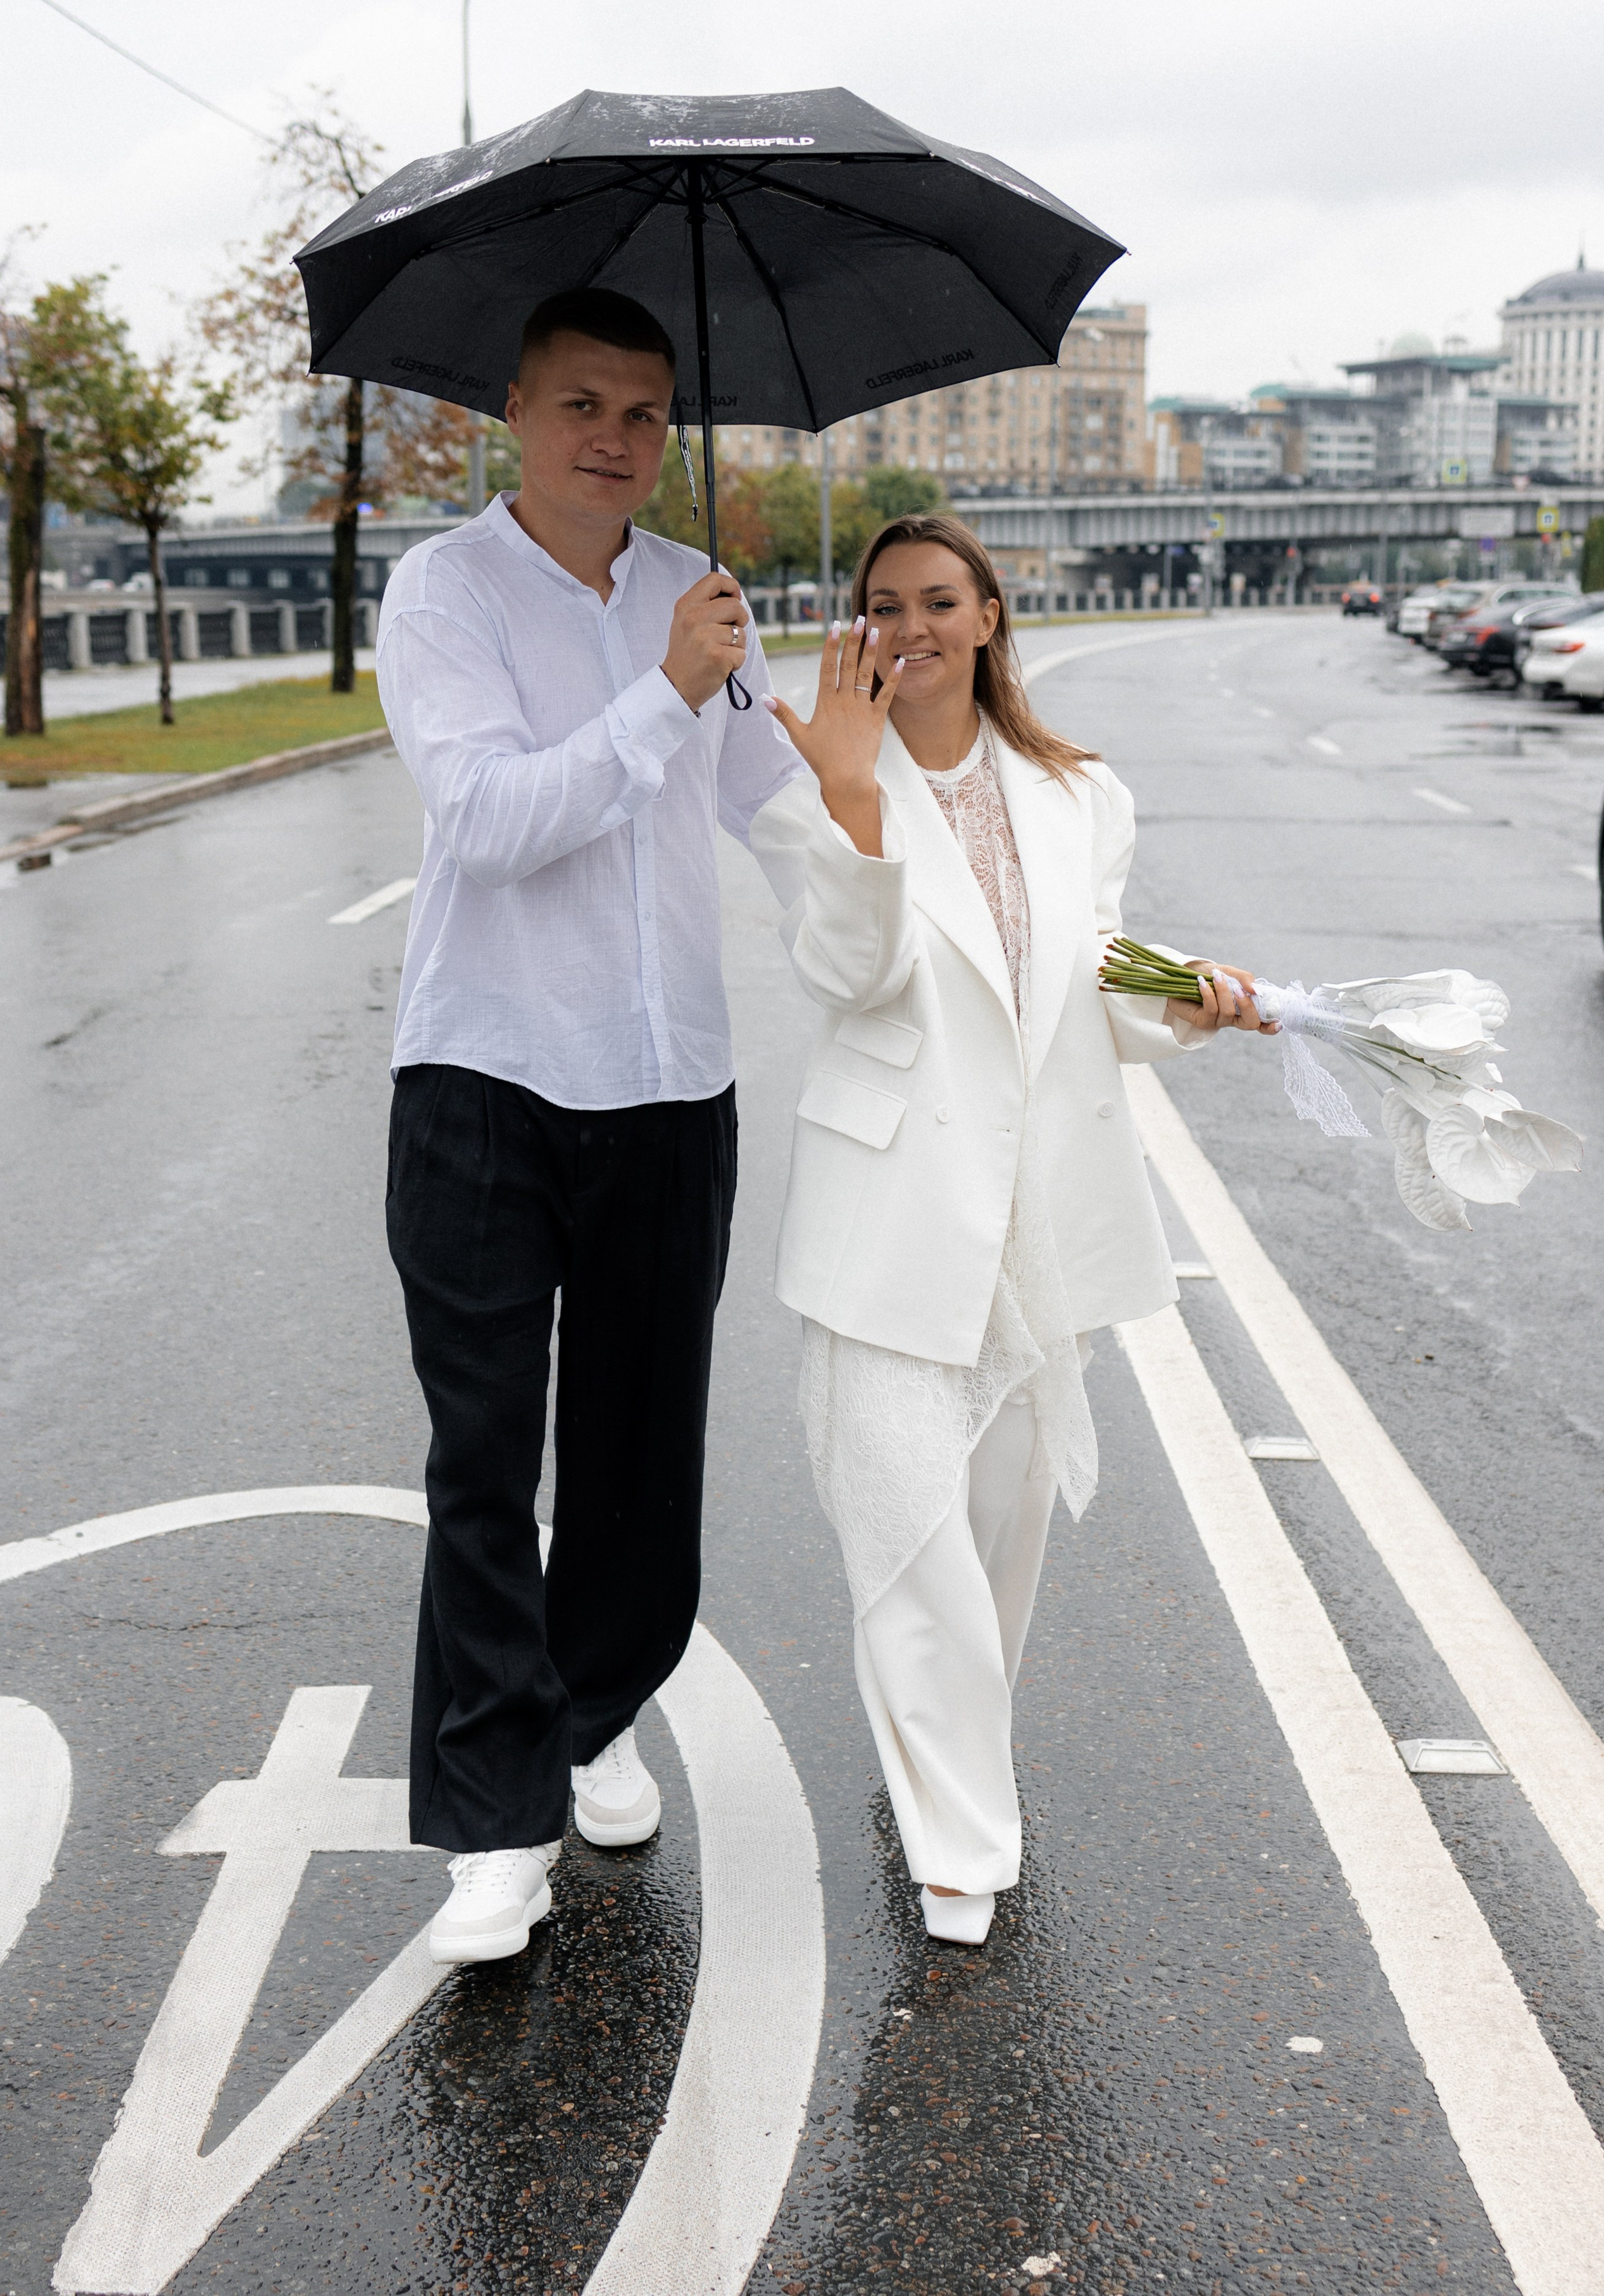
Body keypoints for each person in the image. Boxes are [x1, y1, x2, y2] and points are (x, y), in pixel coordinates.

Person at [762, 515, 1275, 1946]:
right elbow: (850, 979)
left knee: (998, 1537)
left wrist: (1187, 997)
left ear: (989, 618)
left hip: (1032, 1210)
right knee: (908, 1525)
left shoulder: (1080, 793)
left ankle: (943, 1755)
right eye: (883, 606)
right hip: (890, 1206)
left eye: (939, 601)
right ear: (854, 632)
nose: (910, 625)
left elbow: (1090, 979)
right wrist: (855, 807)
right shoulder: (806, 794)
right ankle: (960, 1839)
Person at [376, 288, 801, 1964]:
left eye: (642, 412)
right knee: (485, 1461)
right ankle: (494, 1823)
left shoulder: (699, 599)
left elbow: (791, 816)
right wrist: (662, 699)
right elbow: (486, 820)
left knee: (640, 1457)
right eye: (581, 405)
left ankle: (593, 1707)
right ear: (515, 409)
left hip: (671, 1085)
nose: (614, 440)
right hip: (484, 1077)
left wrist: (968, 814)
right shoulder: (445, 592)